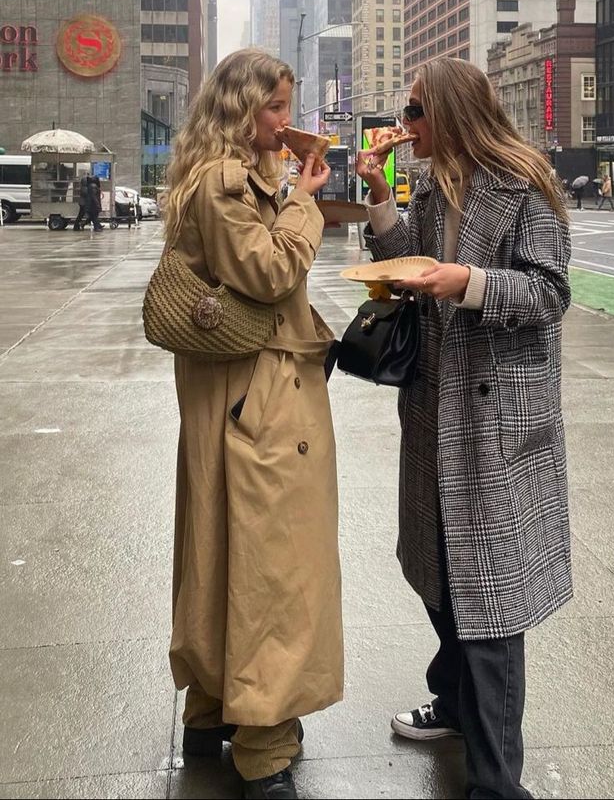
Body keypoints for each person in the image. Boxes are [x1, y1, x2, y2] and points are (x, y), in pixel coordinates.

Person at [357, 57, 572, 800]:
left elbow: (550, 291)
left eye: (414, 111)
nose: (403, 123)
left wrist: (467, 283)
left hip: (494, 422)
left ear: (448, 113)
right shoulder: (432, 183)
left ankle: (496, 784)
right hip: (435, 408)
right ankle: (452, 705)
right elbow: (404, 264)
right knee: (440, 577)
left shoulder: (525, 184)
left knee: (490, 603)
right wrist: (380, 198)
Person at [163, 49, 343, 800]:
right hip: (261, 398)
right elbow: (270, 272)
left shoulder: (217, 178)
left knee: (218, 549)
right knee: (274, 569)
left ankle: (208, 712)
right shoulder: (226, 183)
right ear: (241, 109)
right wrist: (306, 197)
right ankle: (264, 742)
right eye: (274, 107)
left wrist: (297, 183)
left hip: (232, 395)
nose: (285, 120)